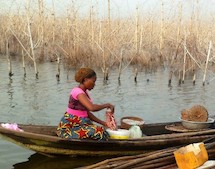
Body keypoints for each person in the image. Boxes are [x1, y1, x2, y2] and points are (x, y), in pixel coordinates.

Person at [57, 67, 115, 140]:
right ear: (85, 80)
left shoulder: (84, 93)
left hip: (79, 124)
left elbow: (86, 113)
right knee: (100, 132)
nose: (94, 84)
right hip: (70, 128)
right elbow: (91, 108)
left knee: (104, 132)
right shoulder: (78, 92)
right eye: (93, 81)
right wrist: (107, 105)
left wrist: (105, 123)